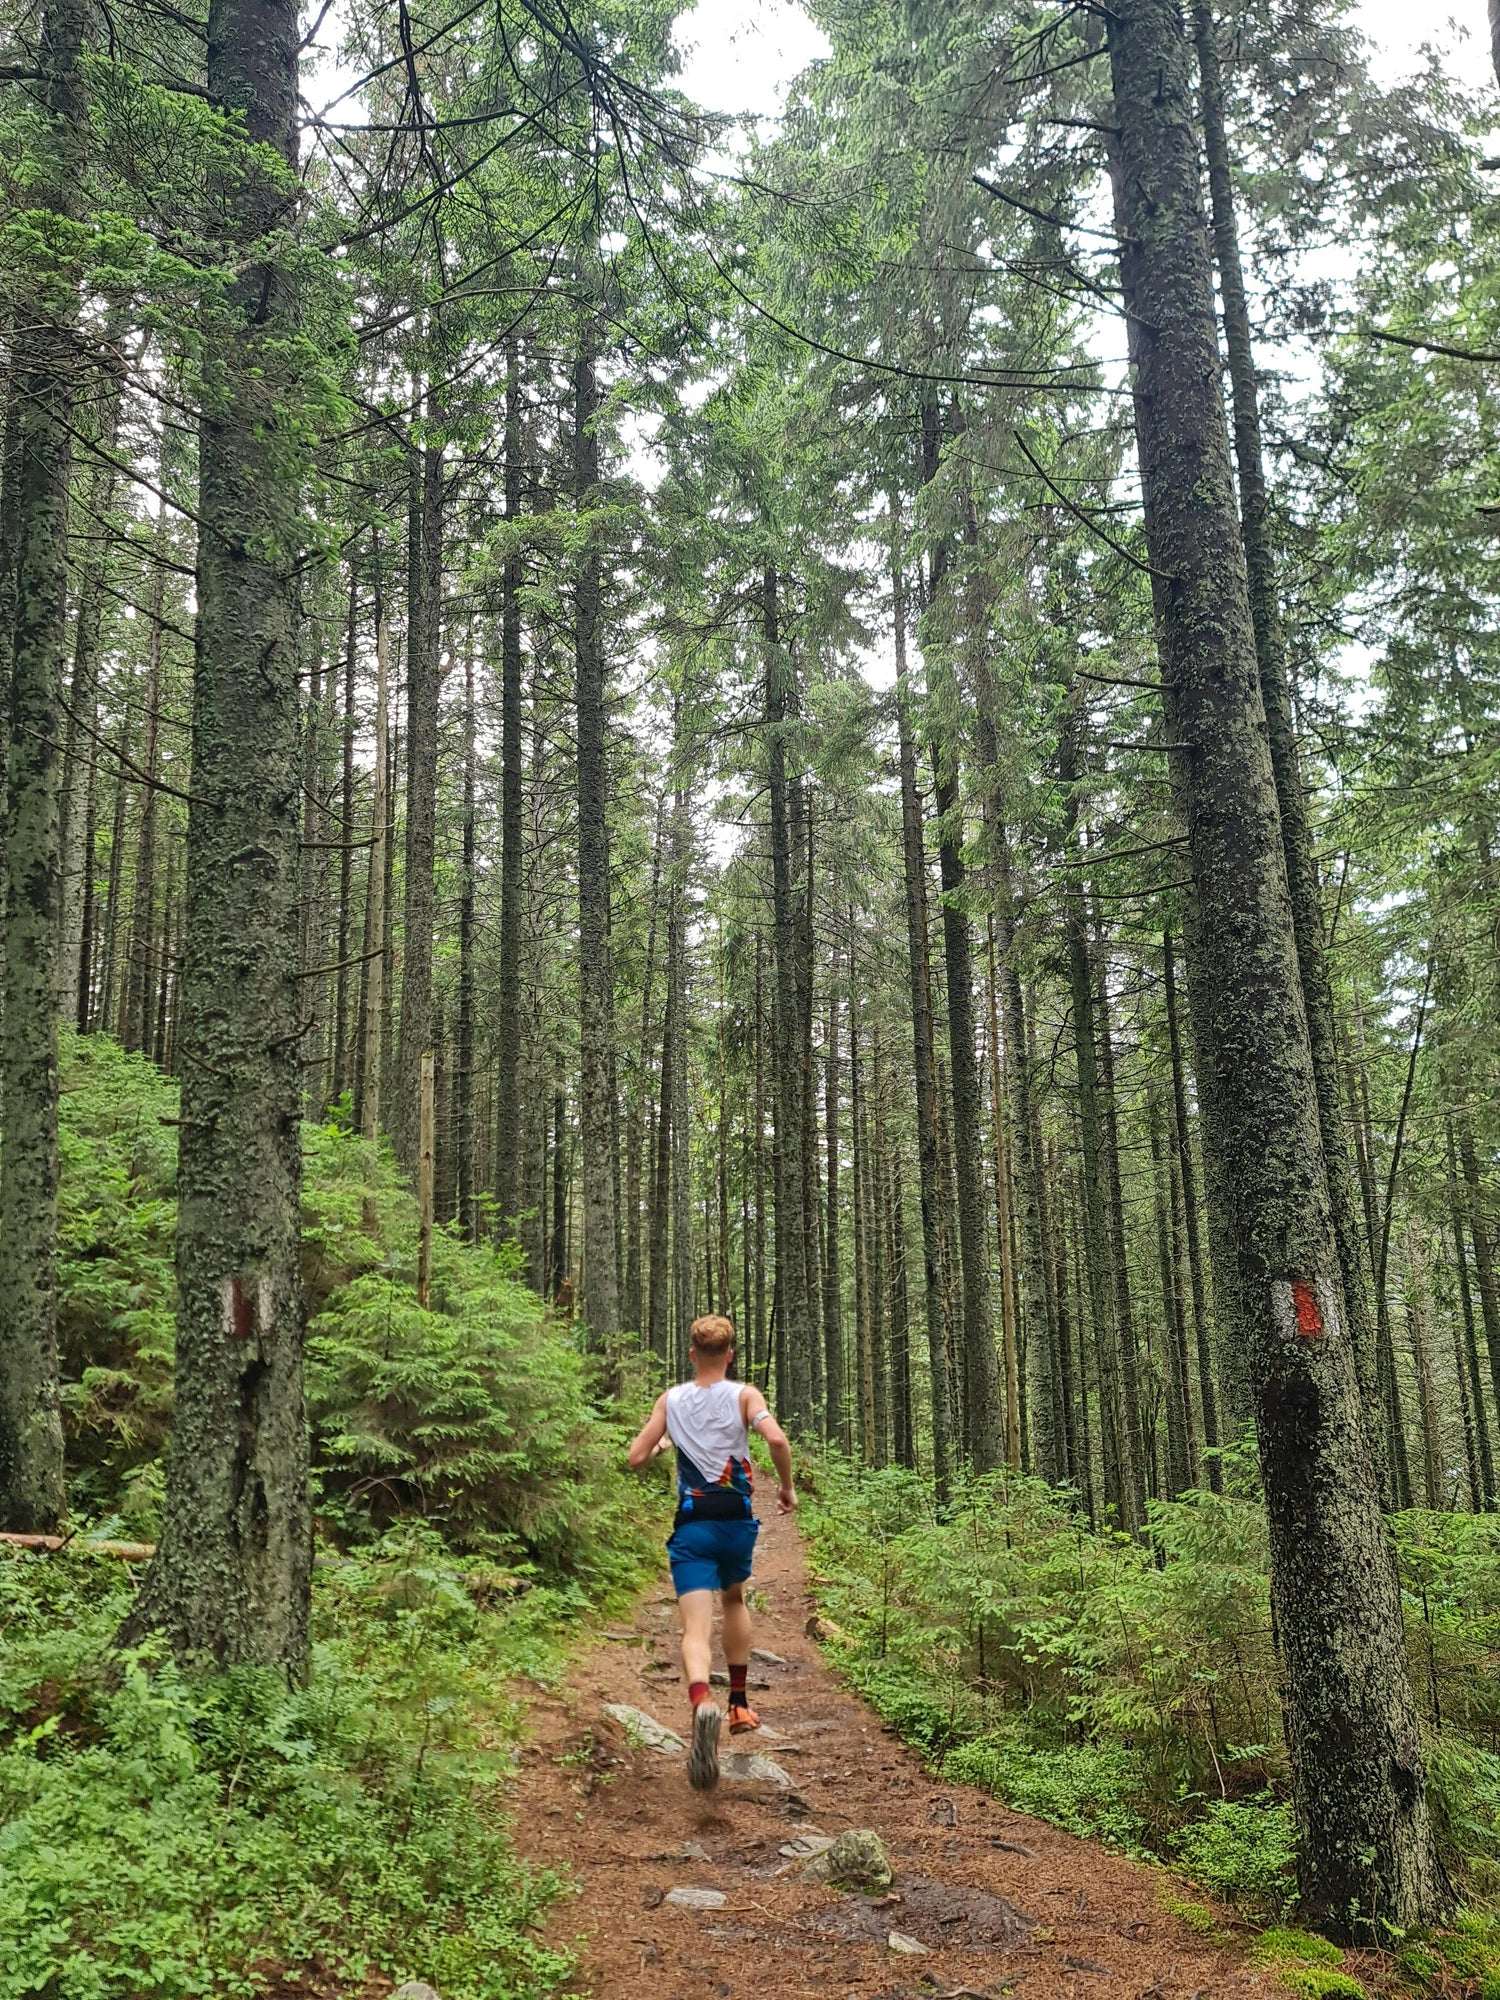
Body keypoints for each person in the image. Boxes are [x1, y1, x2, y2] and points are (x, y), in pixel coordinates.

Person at [627, 1314, 796, 1792]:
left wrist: (664, 1440)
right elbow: (777, 1439)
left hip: (692, 1526)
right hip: (736, 1520)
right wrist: (785, 1489)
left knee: (694, 1628)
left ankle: (703, 1700)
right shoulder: (746, 1395)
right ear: (730, 1355)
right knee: (735, 1600)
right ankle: (740, 1703)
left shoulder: (671, 1399)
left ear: (690, 1355)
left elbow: (635, 1457)